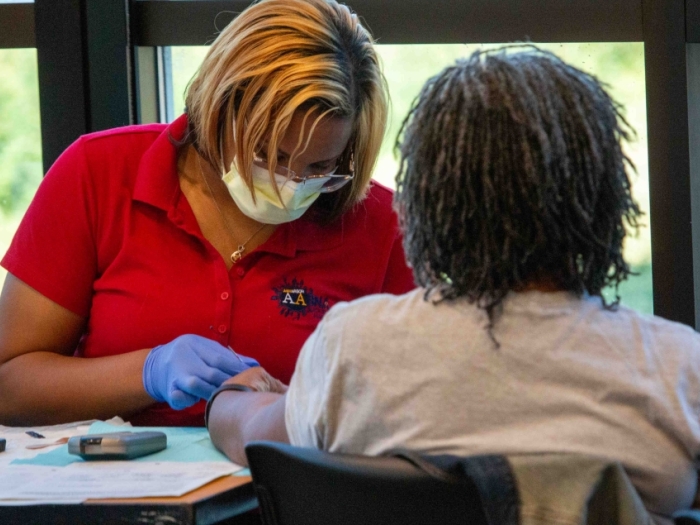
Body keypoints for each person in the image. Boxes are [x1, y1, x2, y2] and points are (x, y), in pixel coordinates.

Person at [207, 46, 700, 523]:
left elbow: (254, 435)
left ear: (424, 201)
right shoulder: (677, 368)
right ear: (607, 201)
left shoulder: (354, 346)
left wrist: (229, 399)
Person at [0, 0, 414, 427]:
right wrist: (148, 372)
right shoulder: (98, 174)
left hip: (291, 487)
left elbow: (425, 401)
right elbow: (9, 385)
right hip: (114, 485)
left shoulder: (379, 225)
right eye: (266, 154)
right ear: (216, 109)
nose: (287, 183)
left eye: (318, 167)